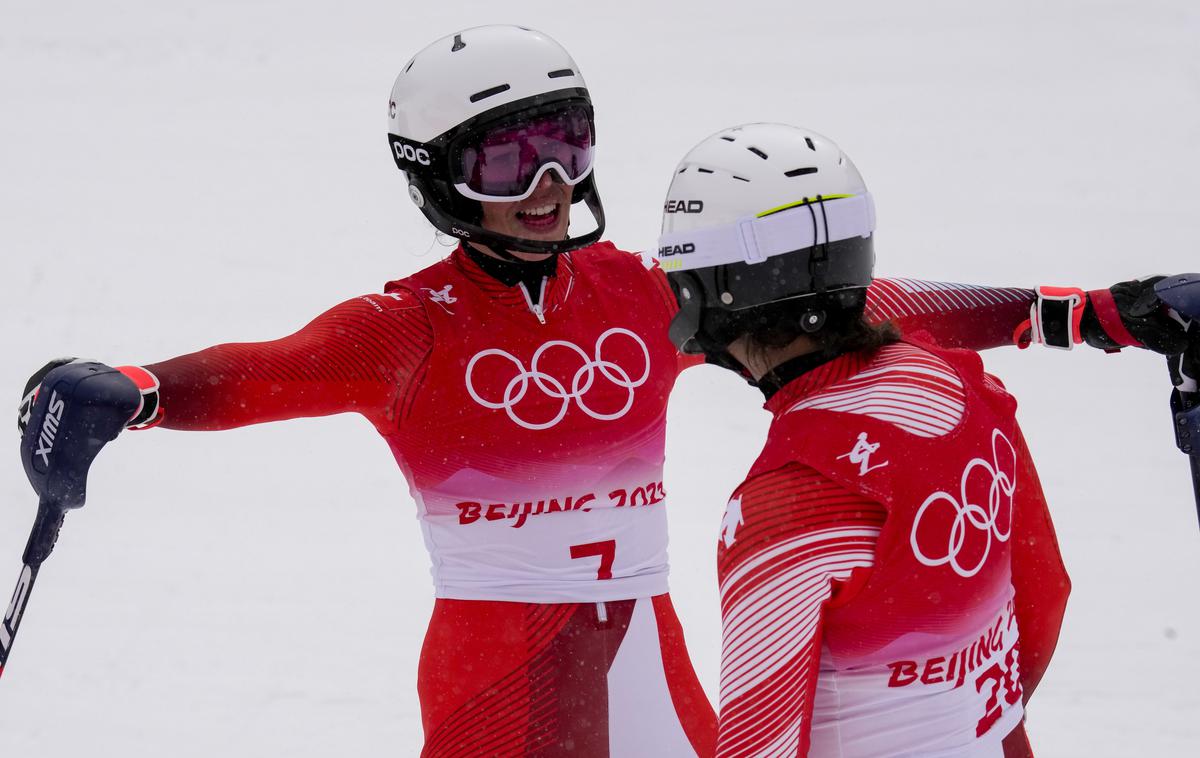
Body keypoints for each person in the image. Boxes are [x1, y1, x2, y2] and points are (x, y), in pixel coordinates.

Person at [13, 25, 1188, 757]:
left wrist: (1090, 314)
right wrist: (138, 387)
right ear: (433, 175)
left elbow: (844, 310)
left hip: (648, 652)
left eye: (567, 141)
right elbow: (264, 372)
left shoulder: (639, 290)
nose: (550, 185)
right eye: (507, 159)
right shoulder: (404, 330)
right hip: (498, 668)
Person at [656, 122, 1078, 757]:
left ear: (709, 292)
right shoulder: (962, 385)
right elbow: (1043, 593)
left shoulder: (791, 503)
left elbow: (758, 742)